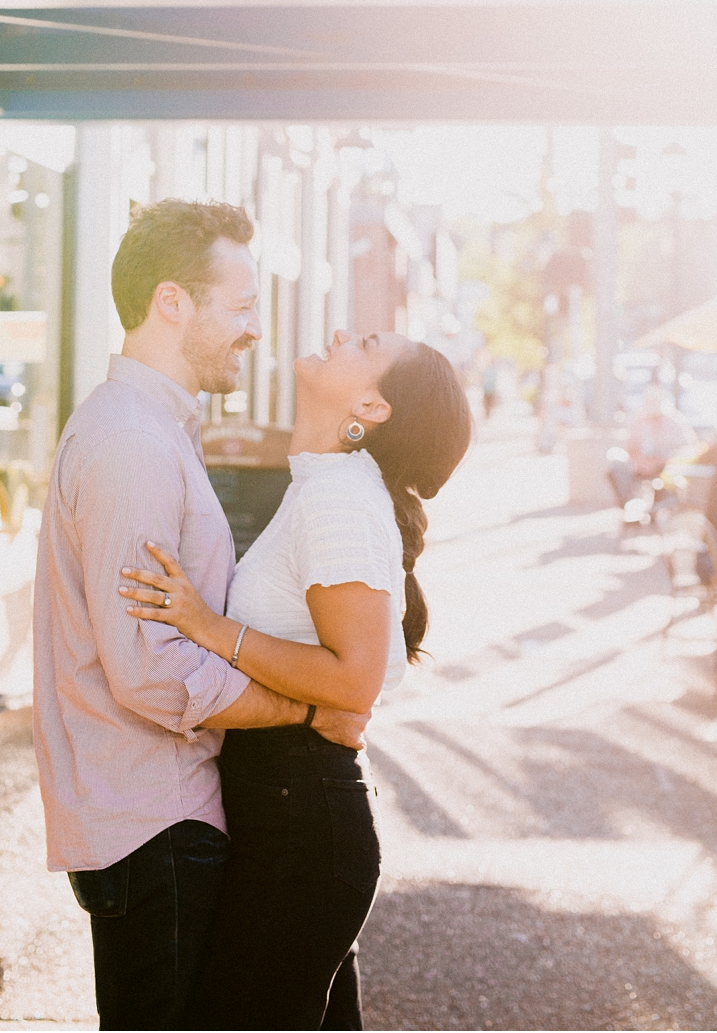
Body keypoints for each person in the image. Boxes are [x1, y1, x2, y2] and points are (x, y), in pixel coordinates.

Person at [33, 200, 367, 1032]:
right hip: (155, 825)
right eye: (243, 306)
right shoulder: (131, 446)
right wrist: (308, 707)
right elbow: (151, 667)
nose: (255, 330)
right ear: (173, 303)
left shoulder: (156, 431)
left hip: (165, 815)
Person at [119, 326, 473, 1030]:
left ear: (372, 408)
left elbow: (354, 681)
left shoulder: (338, 496)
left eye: (366, 344)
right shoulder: (325, 484)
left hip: (302, 831)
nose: (342, 333)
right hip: (291, 818)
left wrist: (210, 627)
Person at [608, 383, 691, 507]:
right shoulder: (639, 421)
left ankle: (658, 507)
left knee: (665, 479)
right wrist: (643, 462)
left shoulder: (675, 422)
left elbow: (686, 449)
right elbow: (631, 446)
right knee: (615, 471)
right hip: (642, 465)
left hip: (668, 466)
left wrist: (661, 461)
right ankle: (628, 507)